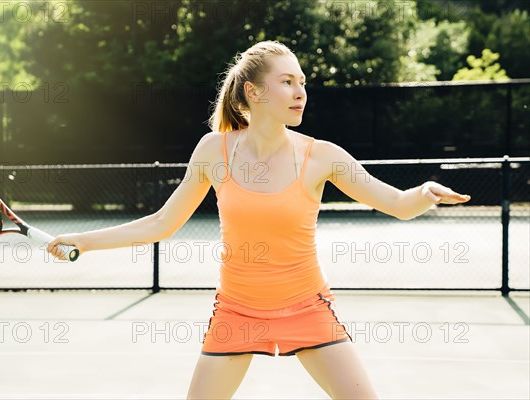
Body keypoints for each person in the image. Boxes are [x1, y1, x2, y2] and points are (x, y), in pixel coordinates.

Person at [48, 40, 471, 399]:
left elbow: (396, 203)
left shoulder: (321, 155)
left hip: (307, 309)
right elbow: (162, 223)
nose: (300, 91)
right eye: (287, 82)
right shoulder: (214, 150)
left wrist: (425, 193)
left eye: (302, 82)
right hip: (237, 312)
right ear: (252, 92)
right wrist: (83, 241)